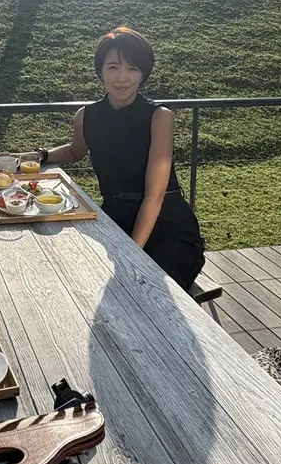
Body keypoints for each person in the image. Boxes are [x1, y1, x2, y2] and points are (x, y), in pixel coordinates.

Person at [14, 27, 205, 290]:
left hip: (167, 228)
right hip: (114, 219)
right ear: (101, 71)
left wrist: (130, 253)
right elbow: (74, 150)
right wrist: (41, 155)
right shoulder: (86, 116)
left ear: (144, 73)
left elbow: (155, 196)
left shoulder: (159, 117)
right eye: (113, 67)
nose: (122, 78)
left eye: (133, 68)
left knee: (142, 290)